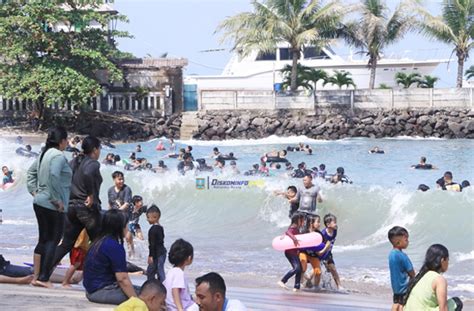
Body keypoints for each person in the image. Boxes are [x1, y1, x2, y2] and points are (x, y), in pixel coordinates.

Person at [27, 126, 72, 288]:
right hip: (53, 205)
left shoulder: (44, 154)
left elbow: (31, 174)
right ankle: (44, 278)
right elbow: (54, 174)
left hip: (39, 202)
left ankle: (36, 277)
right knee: (54, 239)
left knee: (43, 239)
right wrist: (56, 199)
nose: (67, 143)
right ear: (62, 141)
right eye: (67, 140)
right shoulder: (59, 156)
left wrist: (34, 191)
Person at [54, 136, 103, 268]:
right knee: (99, 242)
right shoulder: (92, 163)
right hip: (86, 209)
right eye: (100, 148)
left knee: (66, 243)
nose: (100, 152)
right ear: (94, 149)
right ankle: (102, 275)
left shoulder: (74, 161)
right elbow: (87, 173)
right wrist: (91, 194)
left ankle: (43, 273)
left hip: (71, 207)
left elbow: (63, 177)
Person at [83, 209, 139, 305]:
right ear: (119, 227)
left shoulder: (98, 241)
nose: (127, 228)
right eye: (126, 225)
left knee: (145, 289)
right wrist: (136, 301)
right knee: (149, 296)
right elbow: (122, 279)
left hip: (90, 290)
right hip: (101, 292)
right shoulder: (114, 246)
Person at [404, 244, 463, 311]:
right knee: (456, 302)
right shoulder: (439, 279)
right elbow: (443, 309)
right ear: (442, 260)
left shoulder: (421, 275)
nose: (448, 263)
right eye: (448, 260)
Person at [163, 238, 197, 311]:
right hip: (179, 307)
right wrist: (180, 309)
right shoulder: (179, 273)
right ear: (189, 258)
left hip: (170, 306)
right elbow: (175, 290)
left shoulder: (171, 271)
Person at [388, 226, 415, 311]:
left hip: (396, 287)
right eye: (406, 240)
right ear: (398, 242)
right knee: (403, 305)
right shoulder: (402, 256)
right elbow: (412, 273)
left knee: (396, 303)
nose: (408, 242)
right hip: (404, 286)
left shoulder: (391, 254)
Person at [277, 213, 305, 291]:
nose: (303, 222)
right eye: (302, 220)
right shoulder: (293, 227)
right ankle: (282, 281)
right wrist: (294, 238)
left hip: (294, 252)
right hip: (290, 252)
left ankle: (296, 287)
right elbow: (288, 232)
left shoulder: (297, 229)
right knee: (297, 268)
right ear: (298, 220)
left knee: (300, 269)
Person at [299, 215, 326, 290]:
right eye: (318, 222)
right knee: (303, 266)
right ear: (311, 223)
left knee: (318, 272)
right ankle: (300, 283)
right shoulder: (304, 232)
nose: (319, 224)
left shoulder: (319, 234)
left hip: (314, 254)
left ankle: (316, 287)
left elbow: (324, 244)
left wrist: (321, 252)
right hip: (303, 252)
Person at [319, 213, 343, 291]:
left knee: (333, 269)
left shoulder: (334, 230)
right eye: (334, 222)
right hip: (321, 254)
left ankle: (339, 286)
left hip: (328, 254)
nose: (336, 224)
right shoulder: (323, 234)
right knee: (317, 271)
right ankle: (309, 282)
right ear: (328, 224)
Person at [146, 205, 166, 283]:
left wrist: (151, 256)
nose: (147, 219)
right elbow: (161, 241)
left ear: (155, 217)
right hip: (162, 252)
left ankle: (155, 286)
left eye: (148, 217)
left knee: (151, 271)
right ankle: (159, 286)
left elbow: (152, 244)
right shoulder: (160, 228)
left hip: (156, 254)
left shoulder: (152, 230)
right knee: (159, 270)